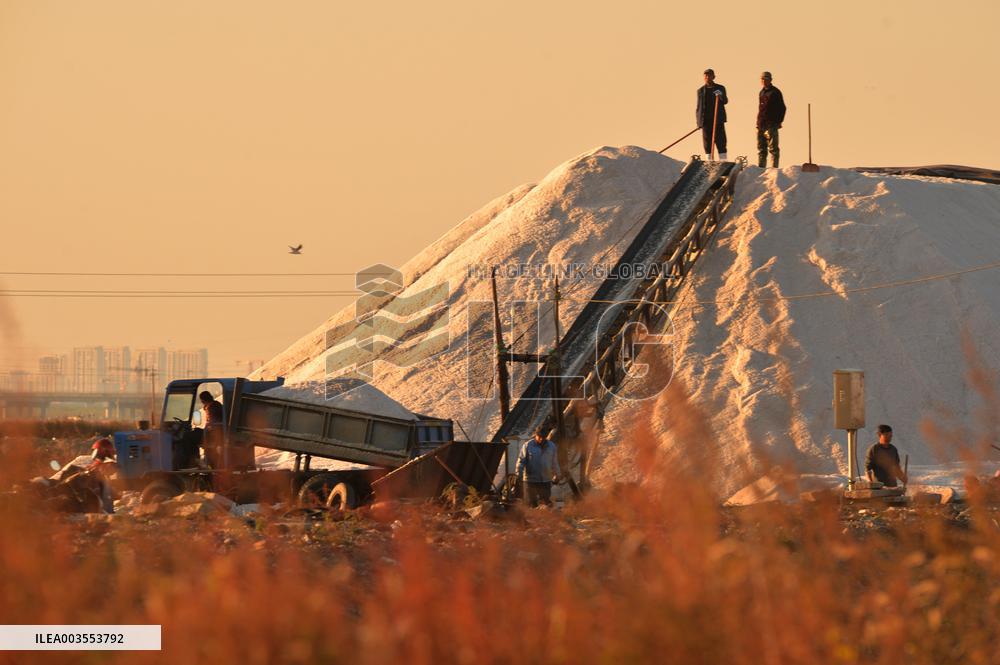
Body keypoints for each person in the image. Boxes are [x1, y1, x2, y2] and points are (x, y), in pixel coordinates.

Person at [516, 427, 561, 507]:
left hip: (545, 480)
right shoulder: (528, 446)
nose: (541, 439)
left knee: (545, 503)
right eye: (539, 437)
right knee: (531, 504)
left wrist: (557, 474)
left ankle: (544, 518)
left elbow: (554, 462)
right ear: (535, 435)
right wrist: (519, 474)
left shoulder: (551, 446)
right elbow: (521, 461)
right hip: (530, 481)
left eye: (543, 437)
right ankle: (531, 518)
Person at [696, 68, 728, 161]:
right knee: (707, 143)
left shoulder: (720, 88)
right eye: (705, 75)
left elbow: (725, 101)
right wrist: (699, 122)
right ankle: (709, 161)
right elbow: (699, 107)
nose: (707, 77)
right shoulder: (701, 91)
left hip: (717, 119)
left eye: (709, 75)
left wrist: (720, 95)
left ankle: (723, 160)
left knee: (721, 140)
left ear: (713, 77)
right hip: (705, 121)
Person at [756, 71, 786, 168]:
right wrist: (758, 123)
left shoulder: (775, 92)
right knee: (761, 149)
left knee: (773, 149)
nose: (764, 81)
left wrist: (778, 122)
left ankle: (774, 168)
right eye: (762, 79)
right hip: (761, 124)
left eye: (766, 79)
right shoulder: (761, 92)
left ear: (770, 80)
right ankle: (761, 169)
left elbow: (782, 108)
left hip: (771, 124)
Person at [199, 391, 225, 468]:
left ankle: (206, 462)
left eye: (202, 400)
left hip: (215, 432)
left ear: (203, 400)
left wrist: (206, 429)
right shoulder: (215, 405)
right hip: (216, 431)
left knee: (195, 437)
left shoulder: (212, 408)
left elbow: (212, 423)